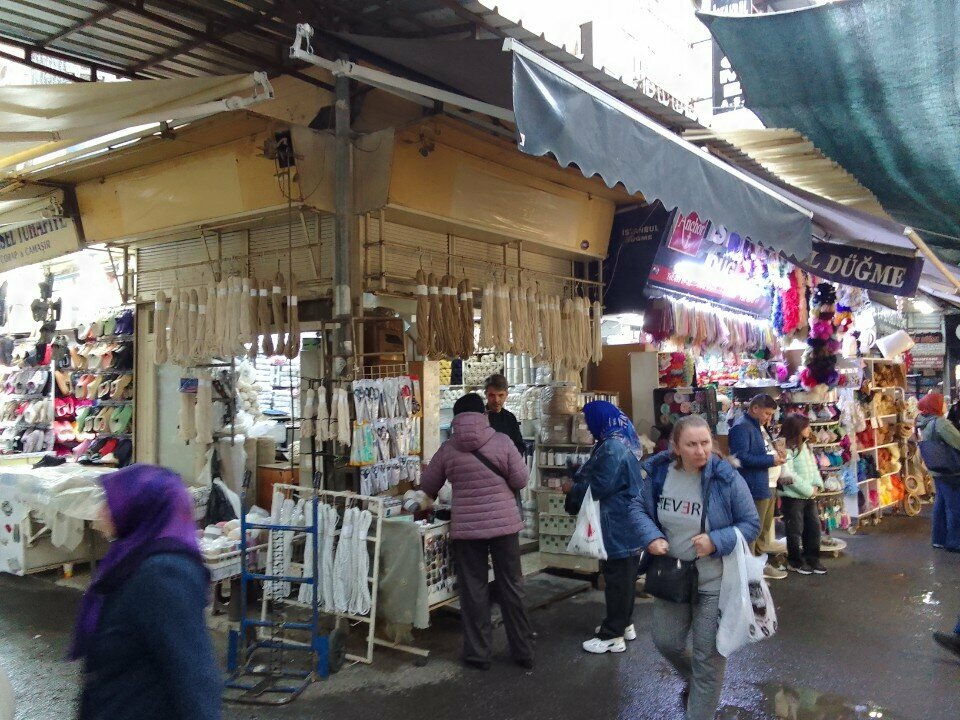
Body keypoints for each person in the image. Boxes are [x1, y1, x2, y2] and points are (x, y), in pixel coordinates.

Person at [631, 415, 760, 720]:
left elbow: (750, 524)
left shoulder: (726, 478)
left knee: (708, 657)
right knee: (666, 641)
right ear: (676, 447)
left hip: (715, 581)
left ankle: (702, 694)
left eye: (705, 443)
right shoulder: (659, 474)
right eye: (691, 444)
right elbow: (636, 507)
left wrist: (716, 540)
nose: (701, 451)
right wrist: (651, 536)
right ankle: (701, 682)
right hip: (672, 576)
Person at [71, 464, 221, 720]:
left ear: (139, 507)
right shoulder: (131, 556)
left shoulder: (163, 574)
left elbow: (193, 671)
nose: (102, 511)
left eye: (111, 502)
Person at [421, 393, 534, 670]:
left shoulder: (448, 449)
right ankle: (522, 651)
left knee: (474, 590)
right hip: (504, 526)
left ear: (456, 418)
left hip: (468, 530)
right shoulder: (502, 441)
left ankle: (478, 654)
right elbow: (521, 479)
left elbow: (428, 486)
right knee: (511, 587)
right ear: (483, 414)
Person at [561, 401, 644, 655]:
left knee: (617, 578)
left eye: (589, 421)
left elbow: (599, 486)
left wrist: (572, 489)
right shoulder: (620, 441)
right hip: (627, 521)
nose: (588, 427)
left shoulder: (611, 447)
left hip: (617, 522)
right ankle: (624, 623)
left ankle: (612, 635)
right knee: (625, 577)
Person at [728, 393, 787, 580]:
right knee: (753, 530)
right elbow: (740, 458)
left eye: (771, 414)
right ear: (755, 409)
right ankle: (750, 572)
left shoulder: (757, 426)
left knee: (763, 529)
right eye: (767, 413)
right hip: (754, 486)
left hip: (767, 484)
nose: (769, 418)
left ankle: (759, 565)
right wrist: (771, 460)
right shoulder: (741, 427)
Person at [779, 415, 827, 575]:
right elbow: (788, 474)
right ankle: (795, 561)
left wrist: (817, 485)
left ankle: (812, 558)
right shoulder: (786, 448)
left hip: (809, 496)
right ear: (798, 428)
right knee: (795, 529)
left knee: (813, 527)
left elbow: (813, 467)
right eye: (806, 426)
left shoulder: (805, 446)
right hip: (792, 497)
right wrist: (808, 490)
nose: (809, 429)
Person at [915, 392, 960, 551]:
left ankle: (939, 539)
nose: (945, 404)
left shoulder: (924, 421)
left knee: (940, 505)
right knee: (955, 506)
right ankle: (955, 541)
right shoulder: (941, 423)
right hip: (950, 470)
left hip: (937, 469)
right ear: (936, 405)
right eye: (942, 402)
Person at [484, 373, 526, 456]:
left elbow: (519, 446)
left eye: (500, 395)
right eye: (492, 395)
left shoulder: (510, 418)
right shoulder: (478, 417)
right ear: (486, 394)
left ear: (506, 394)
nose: (496, 400)